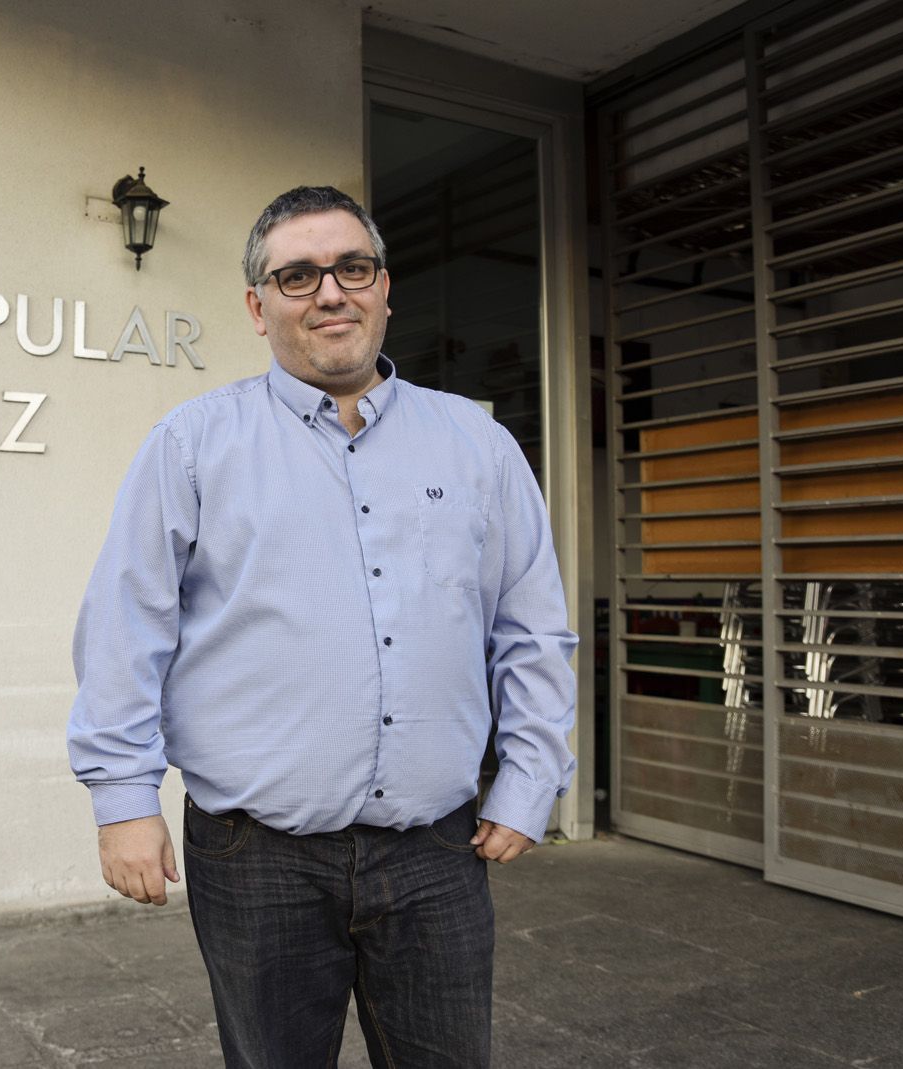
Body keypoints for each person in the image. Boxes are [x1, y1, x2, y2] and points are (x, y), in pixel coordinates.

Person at [66, 185, 576, 1068]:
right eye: (297, 275)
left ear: (385, 288)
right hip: (255, 855)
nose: (329, 292)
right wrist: (123, 798)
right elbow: (126, 624)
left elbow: (529, 626)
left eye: (352, 267)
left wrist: (532, 775)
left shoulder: (480, 446)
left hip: (435, 853)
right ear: (258, 308)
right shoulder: (191, 444)